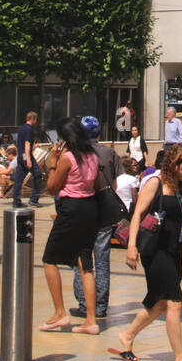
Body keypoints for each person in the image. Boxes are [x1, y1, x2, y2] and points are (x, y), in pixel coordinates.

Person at [111, 142, 182, 361]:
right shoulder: (155, 182)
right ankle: (180, 360)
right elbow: (137, 215)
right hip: (155, 249)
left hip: (174, 249)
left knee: (160, 303)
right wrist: (131, 246)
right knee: (175, 302)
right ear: (175, 163)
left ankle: (127, 335)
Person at [39, 116, 101, 332]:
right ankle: (91, 321)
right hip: (90, 208)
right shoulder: (92, 155)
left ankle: (59, 313)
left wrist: (53, 164)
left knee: (49, 259)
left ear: (65, 138)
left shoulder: (67, 157)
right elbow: (98, 184)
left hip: (71, 208)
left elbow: (52, 187)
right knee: (86, 265)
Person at [71, 115, 122, 322]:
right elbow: (116, 185)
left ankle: (84, 303)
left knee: (81, 260)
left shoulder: (75, 153)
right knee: (102, 260)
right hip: (104, 212)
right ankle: (100, 305)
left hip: (82, 210)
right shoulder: (109, 153)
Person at [12, 110, 42, 209]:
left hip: (20, 155)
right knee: (38, 174)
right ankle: (34, 199)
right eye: (35, 119)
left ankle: (16, 201)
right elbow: (27, 144)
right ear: (33, 119)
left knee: (18, 179)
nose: (36, 122)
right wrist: (29, 159)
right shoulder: (30, 130)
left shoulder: (21, 129)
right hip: (26, 156)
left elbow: (21, 143)